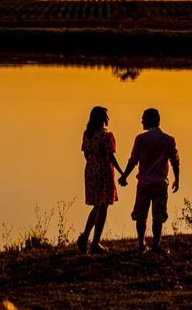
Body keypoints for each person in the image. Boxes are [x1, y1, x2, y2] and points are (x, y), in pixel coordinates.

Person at [118, 107, 180, 252]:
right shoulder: (169, 140)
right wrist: (177, 179)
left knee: (141, 215)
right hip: (160, 184)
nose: (141, 121)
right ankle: (156, 244)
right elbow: (175, 162)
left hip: (144, 184)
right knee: (158, 215)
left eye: (143, 118)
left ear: (150, 120)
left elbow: (133, 161)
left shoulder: (140, 139)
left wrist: (124, 176)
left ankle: (141, 243)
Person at [76, 105, 123, 253]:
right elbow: (110, 156)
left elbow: (86, 154)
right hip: (103, 171)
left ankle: (85, 237)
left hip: (90, 170)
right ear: (103, 119)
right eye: (107, 116)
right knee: (103, 207)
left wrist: (93, 164)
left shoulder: (87, 134)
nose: (109, 119)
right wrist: (122, 172)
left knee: (97, 205)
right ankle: (95, 243)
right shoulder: (106, 136)